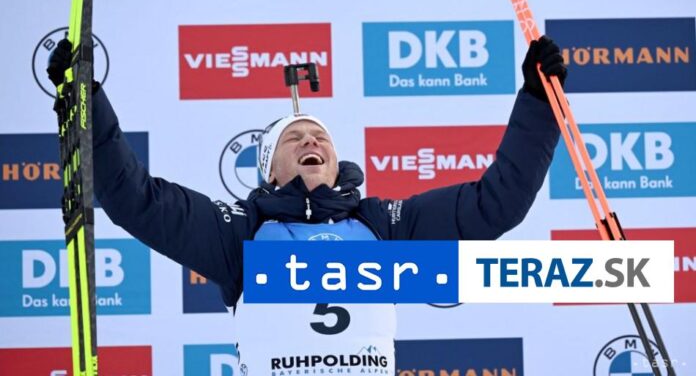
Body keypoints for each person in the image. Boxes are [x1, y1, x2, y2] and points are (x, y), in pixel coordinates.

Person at [48, 36, 566, 374]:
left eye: (319, 136)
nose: (310, 140)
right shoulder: (241, 233)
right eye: (293, 138)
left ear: (336, 163)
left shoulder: (384, 226)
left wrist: (540, 102)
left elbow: (495, 204)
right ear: (270, 170)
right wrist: (86, 102)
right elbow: (136, 199)